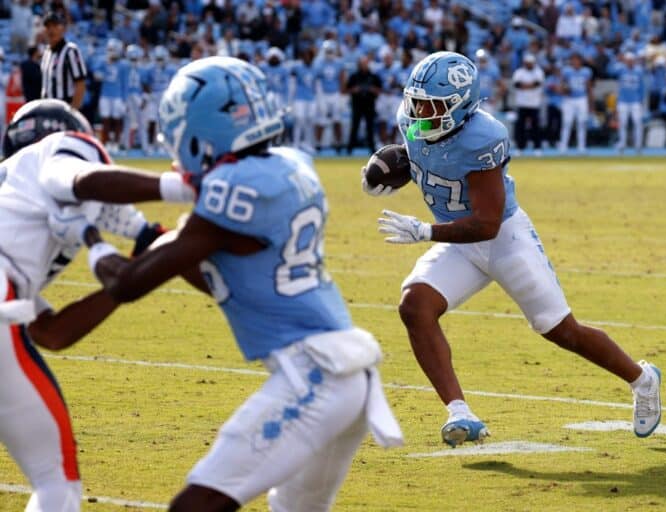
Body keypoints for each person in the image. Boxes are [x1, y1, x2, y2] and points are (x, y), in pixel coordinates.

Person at [84, 56, 402, 511]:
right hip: (351, 373)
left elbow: (128, 284)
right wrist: (148, 234)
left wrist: (90, 236)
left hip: (311, 376)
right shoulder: (290, 164)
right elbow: (221, 273)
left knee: (192, 506)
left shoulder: (232, 189)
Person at [364, 51, 661, 448]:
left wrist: (426, 231)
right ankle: (460, 413)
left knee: (561, 331)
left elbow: (486, 222)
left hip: (502, 237)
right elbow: (418, 158)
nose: (418, 114)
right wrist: (386, 170)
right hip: (458, 240)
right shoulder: (413, 122)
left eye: (431, 107)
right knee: (415, 306)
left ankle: (642, 379)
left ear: (462, 106)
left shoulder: (483, 138)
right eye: (416, 102)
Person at [0, 98, 193, 512]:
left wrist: (132, 276)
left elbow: (51, 332)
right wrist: (176, 187)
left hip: (9, 297)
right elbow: (74, 178)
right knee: (56, 483)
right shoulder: (57, 154)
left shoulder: (16, 210)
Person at [40, 11, 87, 110]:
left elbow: (80, 84)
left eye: (55, 25)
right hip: (47, 108)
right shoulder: (46, 52)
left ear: (63, 28)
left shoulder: (70, 51)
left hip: (64, 109)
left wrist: (72, 111)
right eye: (48, 26)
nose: (51, 30)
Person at [346, 55, 381, 155]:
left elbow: (379, 90)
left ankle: (372, 148)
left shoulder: (373, 76)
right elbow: (346, 90)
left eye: (365, 63)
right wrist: (355, 90)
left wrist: (373, 90)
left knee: (370, 127)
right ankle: (350, 148)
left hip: (369, 104)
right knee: (355, 127)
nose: (364, 65)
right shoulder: (354, 76)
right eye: (362, 64)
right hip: (357, 104)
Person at [558, 53, 593, 153]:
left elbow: (588, 87)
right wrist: (564, 89)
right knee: (567, 122)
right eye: (573, 60)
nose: (575, 62)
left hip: (581, 98)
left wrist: (591, 102)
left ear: (580, 61)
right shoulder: (566, 71)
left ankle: (581, 146)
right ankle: (563, 146)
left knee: (581, 123)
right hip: (569, 99)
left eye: (577, 60)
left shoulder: (586, 71)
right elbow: (562, 84)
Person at [511, 53, 544, 156]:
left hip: (534, 104)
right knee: (520, 127)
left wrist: (525, 85)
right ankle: (520, 147)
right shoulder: (519, 72)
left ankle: (537, 148)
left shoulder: (538, 72)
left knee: (535, 127)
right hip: (522, 103)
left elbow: (537, 83)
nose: (529, 65)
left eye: (531, 63)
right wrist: (530, 85)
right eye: (527, 63)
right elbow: (517, 84)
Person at [615, 52, 645, 153]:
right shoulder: (620, 69)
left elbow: (642, 87)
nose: (630, 62)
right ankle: (622, 143)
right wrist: (618, 60)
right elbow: (610, 70)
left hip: (635, 100)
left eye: (631, 60)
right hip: (623, 100)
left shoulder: (639, 71)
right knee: (623, 123)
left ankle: (638, 145)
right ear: (625, 61)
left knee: (638, 123)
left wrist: (641, 100)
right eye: (628, 60)